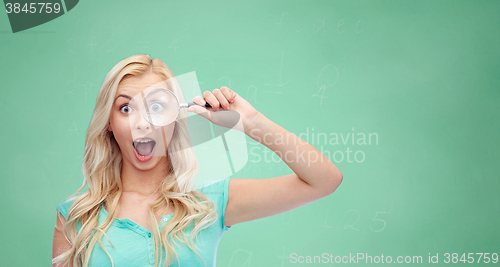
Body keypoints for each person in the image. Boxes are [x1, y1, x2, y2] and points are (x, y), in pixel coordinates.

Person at [52, 54, 343, 267]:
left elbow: (324, 180)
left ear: (175, 118)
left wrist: (251, 122)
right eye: (126, 107)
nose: (142, 122)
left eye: (156, 106)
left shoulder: (210, 201)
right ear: (109, 123)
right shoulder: (77, 215)